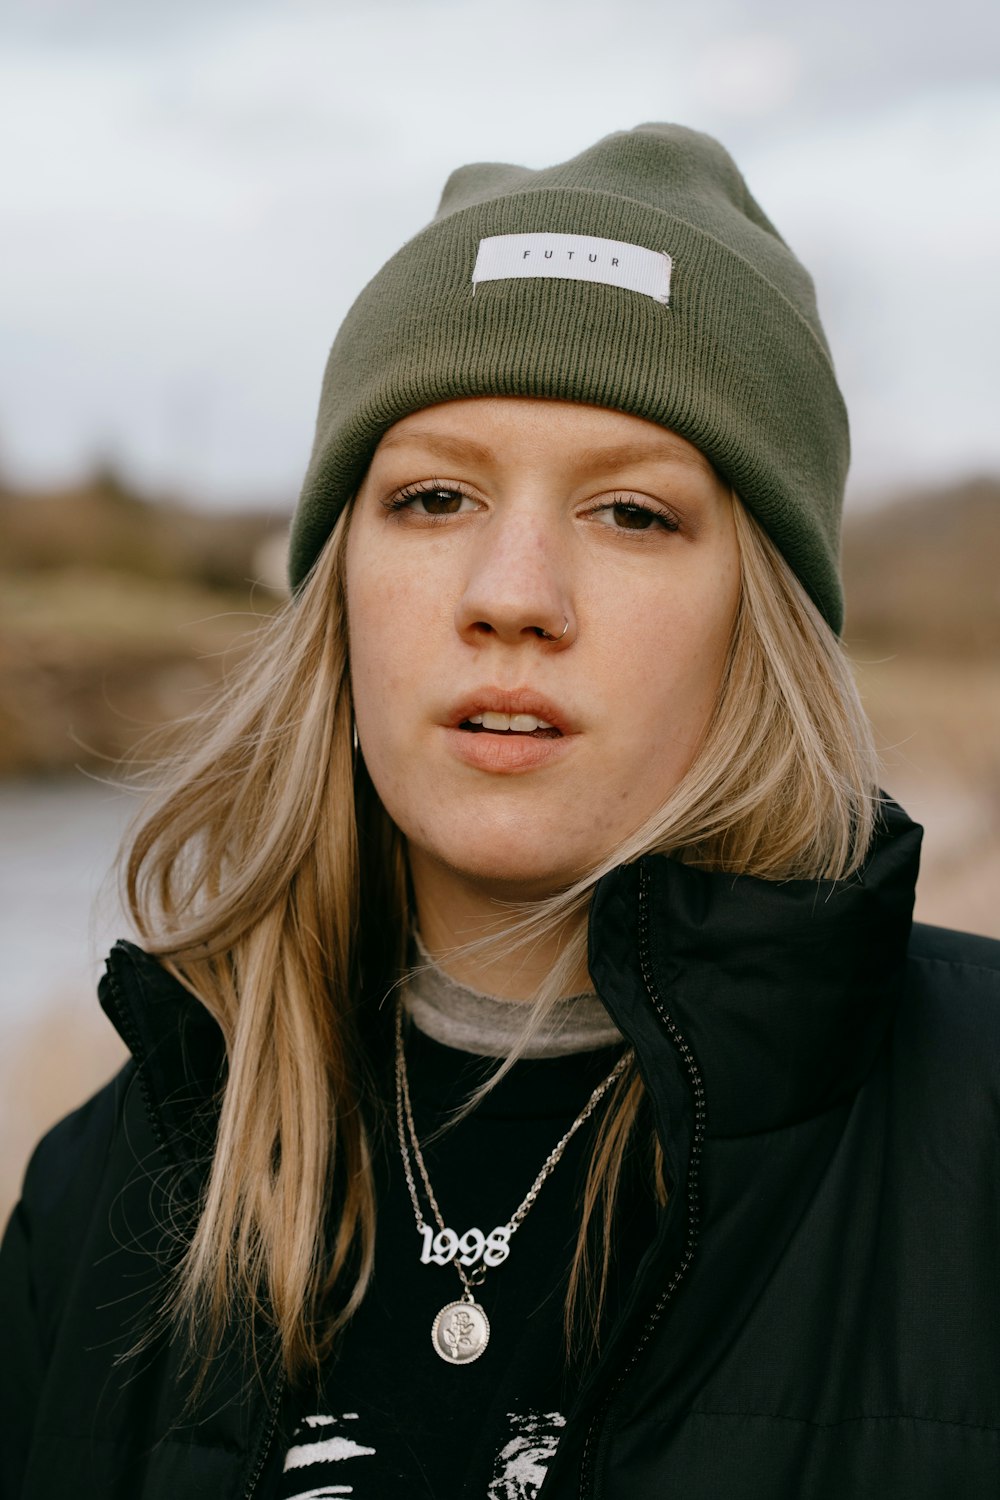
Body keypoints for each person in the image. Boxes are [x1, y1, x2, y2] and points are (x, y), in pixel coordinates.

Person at [2, 123, 998, 1500]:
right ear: (340, 586)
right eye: (432, 495)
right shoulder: (110, 1187)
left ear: (758, 612)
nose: (513, 590)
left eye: (633, 514)